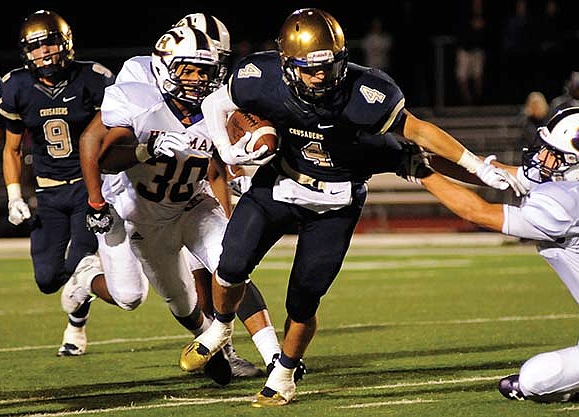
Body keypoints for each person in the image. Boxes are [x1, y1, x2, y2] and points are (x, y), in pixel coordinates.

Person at [180, 8, 521, 407]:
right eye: (310, 69)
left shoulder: (368, 105)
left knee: (304, 300)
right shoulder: (261, 77)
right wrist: (227, 149)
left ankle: (285, 372)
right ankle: (220, 327)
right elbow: (216, 104)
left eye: (329, 66)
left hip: (335, 204)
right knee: (230, 263)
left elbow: (422, 138)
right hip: (280, 183)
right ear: (287, 65)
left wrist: (478, 166)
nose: (321, 77)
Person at [74, 19, 284, 379]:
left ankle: (276, 360)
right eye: (190, 70)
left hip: (193, 204)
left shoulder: (218, 105)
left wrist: (251, 156)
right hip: (139, 216)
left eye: (207, 71)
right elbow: (104, 157)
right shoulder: (140, 98)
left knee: (232, 266)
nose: (199, 80)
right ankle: (87, 278)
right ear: (165, 65)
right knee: (148, 299)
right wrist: (145, 150)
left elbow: (218, 167)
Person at [416, 107, 579, 402]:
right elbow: (494, 175)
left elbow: (478, 212)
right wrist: (427, 159)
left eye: (553, 152)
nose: (542, 156)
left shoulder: (570, 206)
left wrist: (418, 173)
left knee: (534, 378)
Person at [0, 10, 115, 357]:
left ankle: (76, 328)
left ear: (64, 44)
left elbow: (114, 133)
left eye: (49, 44)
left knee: (80, 262)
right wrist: (14, 196)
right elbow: (12, 148)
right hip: (49, 192)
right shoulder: (16, 86)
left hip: (86, 186)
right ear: (25, 53)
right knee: (48, 279)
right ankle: (77, 297)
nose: (44, 54)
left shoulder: (92, 78)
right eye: (35, 48)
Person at [455, 0, 487, 105]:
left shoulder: (483, 14)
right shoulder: (464, 14)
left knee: (478, 76)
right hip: (464, 49)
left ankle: (478, 101)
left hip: (477, 50)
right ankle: (466, 101)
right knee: (462, 77)